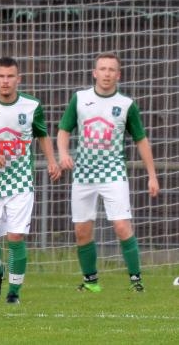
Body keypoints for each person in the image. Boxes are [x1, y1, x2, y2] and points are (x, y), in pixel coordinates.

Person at [57, 52, 159, 293]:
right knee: (82, 231)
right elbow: (63, 130)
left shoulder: (126, 105)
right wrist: (63, 154)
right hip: (83, 174)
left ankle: (136, 281)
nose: (106, 74)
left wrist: (152, 175)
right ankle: (91, 282)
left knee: (122, 226)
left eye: (111, 70)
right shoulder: (80, 99)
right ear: (94, 73)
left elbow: (141, 140)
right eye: (102, 69)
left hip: (113, 173)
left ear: (118, 75)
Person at [0, 56, 61, 304]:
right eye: (1, 76)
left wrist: (52, 161)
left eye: (10, 77)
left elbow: (42, 134)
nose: (5, 81)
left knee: (16, 236)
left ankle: (13, 294)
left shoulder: (31, 106)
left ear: (18, 79)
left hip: (21, 183)